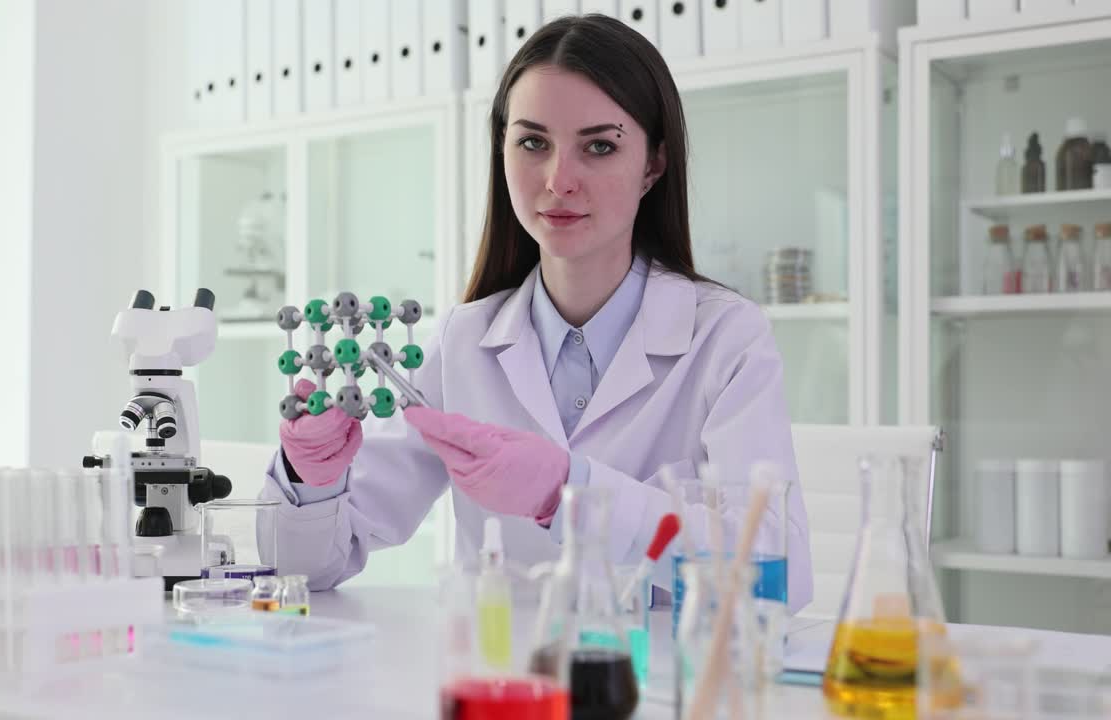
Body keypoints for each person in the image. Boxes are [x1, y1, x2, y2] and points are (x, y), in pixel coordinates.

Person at [262, 14, 811, 611]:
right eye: (533, 143)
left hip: (654, 672)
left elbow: (777, 576)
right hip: (497, 667)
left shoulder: (725, 338)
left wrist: (571, 492)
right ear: (502, 150)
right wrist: (309, 479)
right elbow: (306, 571)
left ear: (653, 164)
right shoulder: (463, 341)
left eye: (599, 146)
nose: (559, 180)